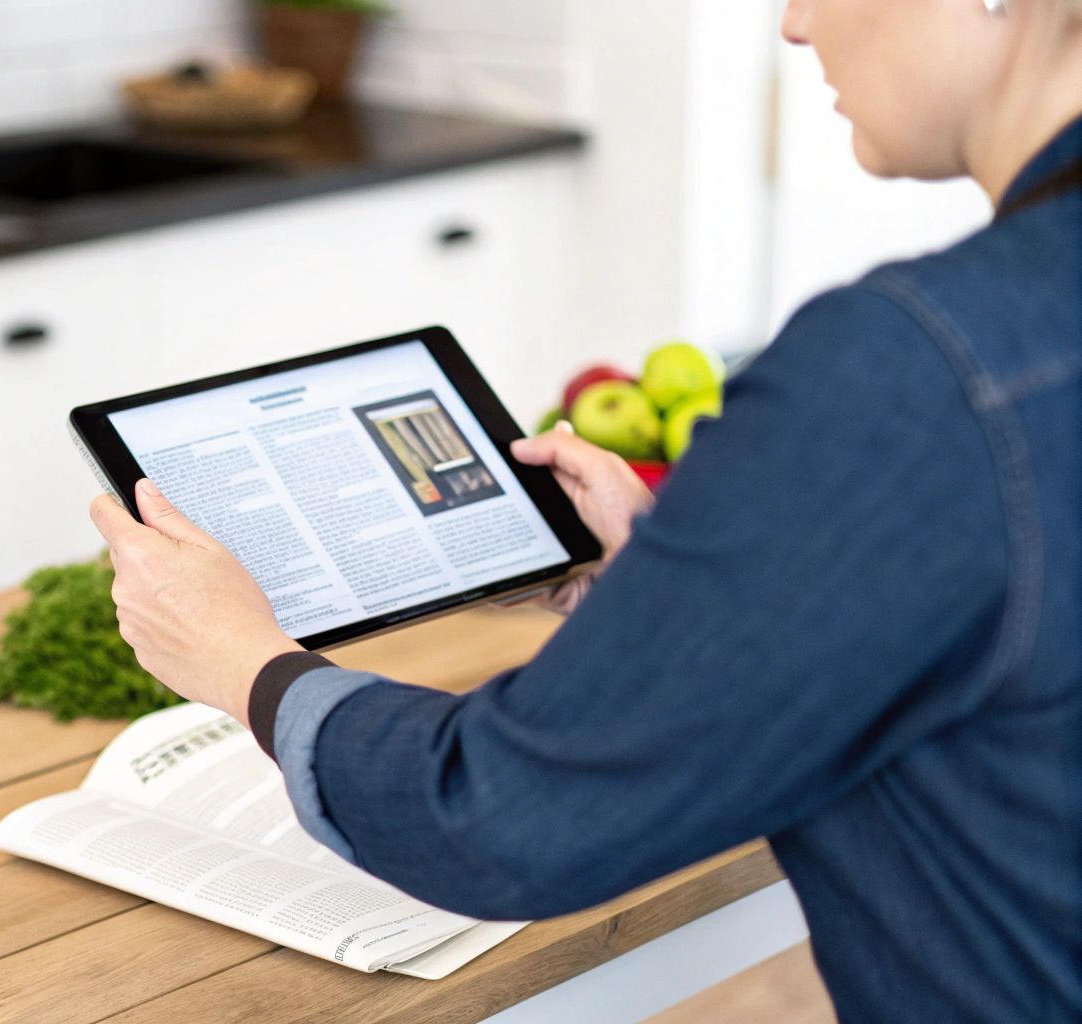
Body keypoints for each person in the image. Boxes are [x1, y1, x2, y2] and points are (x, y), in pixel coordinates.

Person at [87, 0, 1082, 1019]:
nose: (792, 25)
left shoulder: (908, 365)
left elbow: (498, 818)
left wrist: (242, 660)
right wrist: (719, 573)